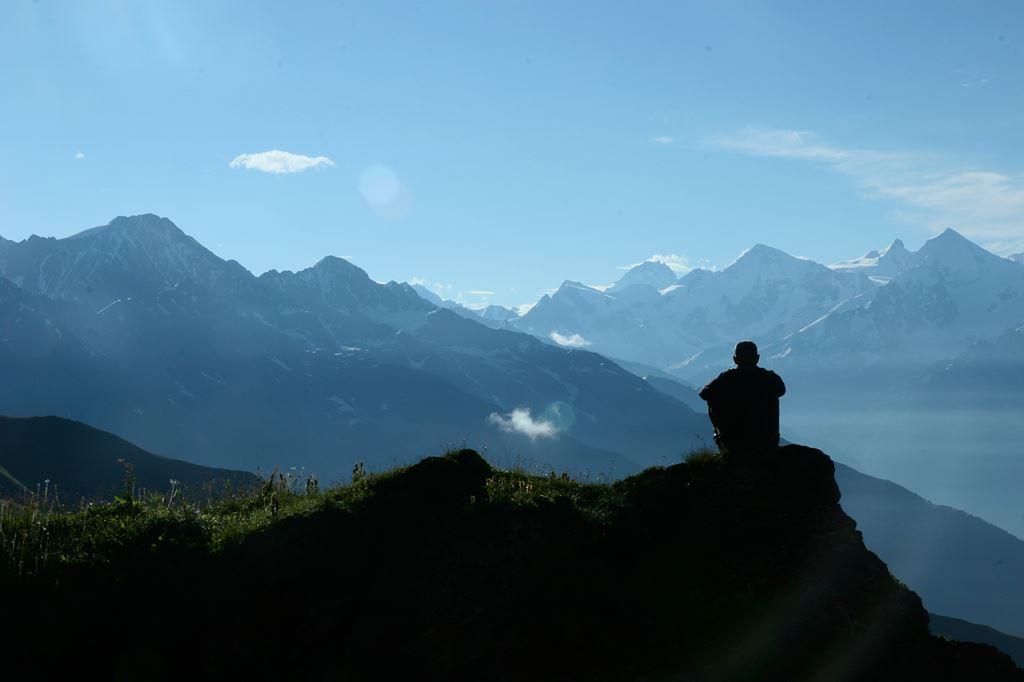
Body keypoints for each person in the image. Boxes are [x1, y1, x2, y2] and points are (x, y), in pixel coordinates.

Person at [699, 341, 785, 456]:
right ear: (757, 358)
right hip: (768, 440)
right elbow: (781, 391)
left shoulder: (726, 378)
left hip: (733, 441)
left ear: (735, 359)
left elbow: (704, 394)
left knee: (712, 399)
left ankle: (721, 437)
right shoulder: (770, 377)